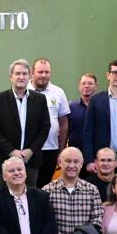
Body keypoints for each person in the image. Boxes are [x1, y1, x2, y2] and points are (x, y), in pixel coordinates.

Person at [0, 59, 51, 186]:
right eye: (17, 73)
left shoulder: (40, 99)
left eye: (24, 74)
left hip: (30, 160)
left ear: (30, 76)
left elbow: (45, 127)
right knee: (5, 196)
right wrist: (11, 151)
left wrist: (31, 150)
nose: (21, 77)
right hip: (5, 159)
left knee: (30, 195)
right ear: (11, 77)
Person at [30, 57, 71, 188]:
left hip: (50, 149)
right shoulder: (23, 90)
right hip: (28, 149)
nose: (43, 75)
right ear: (32, 73)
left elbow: (63, 122)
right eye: (40, 72)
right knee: (29, 187)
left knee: (46, 187)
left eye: (46, 72)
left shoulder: (58, 92)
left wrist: (61, 149)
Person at [67, 73, 97, 160]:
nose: (86, 86)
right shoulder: (70, 107)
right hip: (75, 155)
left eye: (90, 83)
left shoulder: (102, 106)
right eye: (83, 83)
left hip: (96, 155)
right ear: (79, 86)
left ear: (96, 86)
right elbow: (65, 131)